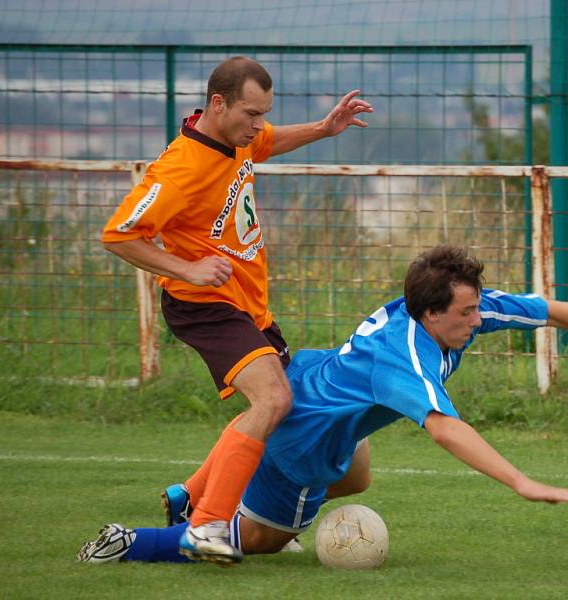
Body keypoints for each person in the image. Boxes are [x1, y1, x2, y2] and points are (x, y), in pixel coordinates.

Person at [78, 245, 568, 565]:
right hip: (305, 440)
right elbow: (446, 429)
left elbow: (550, 309)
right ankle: (134, 541)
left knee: (361, 471)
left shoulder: (453, 307)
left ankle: (193, 490)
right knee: (251, 546)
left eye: (478, 308)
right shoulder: (406, 357)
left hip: (320, 389)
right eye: (466, 314)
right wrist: (520, 481)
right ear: (429, 314)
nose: (478, 320)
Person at [100, 56, 374, 563]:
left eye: (264, 113)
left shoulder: (237, 139)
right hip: (204, 305)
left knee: (282, 403)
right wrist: (186, 269)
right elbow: (118, 235)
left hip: (248, 308)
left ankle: (188, 497)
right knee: (273, 401)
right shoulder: (181, 169)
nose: (259, 124)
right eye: (252, 113)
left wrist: (324, 128)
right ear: (218, 103)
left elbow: (270, 143)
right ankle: (204, 528)